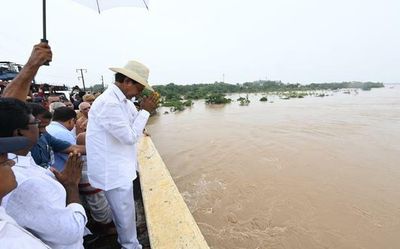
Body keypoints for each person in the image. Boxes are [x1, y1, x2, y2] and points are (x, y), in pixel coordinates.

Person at [86, 60, 158, 249]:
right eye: (140, 88)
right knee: (125, 213)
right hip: (113, 170)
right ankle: (130, 246)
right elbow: (129, 136)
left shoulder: (124, 102)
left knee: (123, 212)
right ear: (127, 81)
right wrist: (146, 111)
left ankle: (126, 241)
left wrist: (142, 112)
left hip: (120, 166)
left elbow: (135, 126)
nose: (140, 92)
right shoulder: (109, 103)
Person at [0, 97, 87, 249]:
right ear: (19, 132)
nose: (43, 129)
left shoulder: (24, 157)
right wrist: (71, 186)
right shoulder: (24, 182)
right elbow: (71, 233)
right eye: (36, 124)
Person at [0, 136, 51, 248]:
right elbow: (67, 233)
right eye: (3, 162)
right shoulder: (13, 241)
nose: (11, 163)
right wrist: (72, 188)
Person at [29, 103, 85, 168]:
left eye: (45, 126)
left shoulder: (45, 136)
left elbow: (72, 148)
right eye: (40, 127)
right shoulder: (21, 147)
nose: (44, 130)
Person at [46, 106, 77, 171]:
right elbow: (74, 157)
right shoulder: (64, 133)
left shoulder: (47, 128)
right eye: (74, 122)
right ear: (71, 121)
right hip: (59, 173)